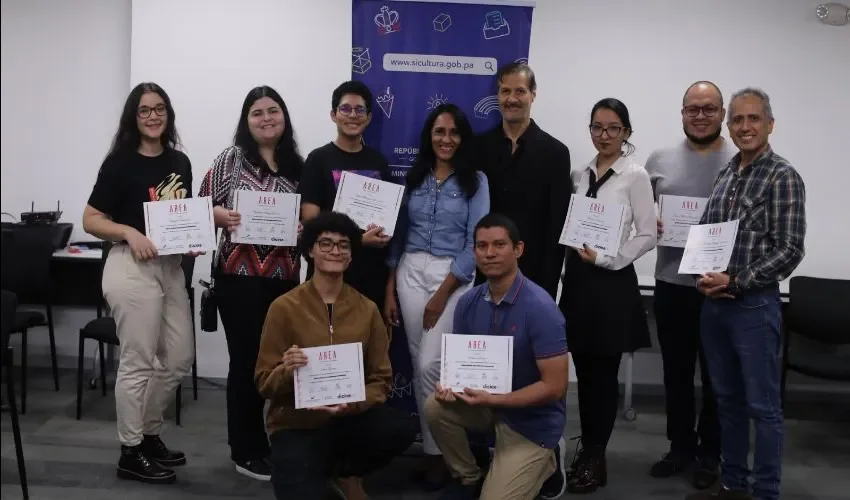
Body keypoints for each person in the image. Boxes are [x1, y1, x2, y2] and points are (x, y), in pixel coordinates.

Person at [686, 88, 806, 500]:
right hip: (714, 306)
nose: (744, 126)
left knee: (763, 409)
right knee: (727, 403)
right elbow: (706, 235)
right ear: (728, 125)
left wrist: (735, 281)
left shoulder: (782, 176)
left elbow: (789, 249)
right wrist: (702, 273)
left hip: (754, 307)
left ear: (769, 124)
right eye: (737, 119)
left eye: (753, 119)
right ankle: (733, 484)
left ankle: (765, 492)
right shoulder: (727, 174)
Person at [255, 211, 417, 500]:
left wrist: (354, 402)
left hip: (349, 418)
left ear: (352, 256)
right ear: (310, 251)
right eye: (326, 243)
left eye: (343, 245)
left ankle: (346, 472)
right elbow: (264, 382)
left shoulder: (367, 309)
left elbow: (381, 380)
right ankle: (315, 470)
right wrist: (286, 369)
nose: (335, 251)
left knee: (399, 428)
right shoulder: (284, 307)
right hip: (297, 421)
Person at [82, 82, 195, 484]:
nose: (153, 116)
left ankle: (148, 435)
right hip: (130, 267)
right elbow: (90, 219)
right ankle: (130, 450)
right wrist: (129, 232)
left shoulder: (180, 161)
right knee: (139, 362)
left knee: (178, 357)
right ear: (134, 117)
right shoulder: (119, 163)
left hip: (170, 268)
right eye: (145, 110)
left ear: (168, 115)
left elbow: (181, 214)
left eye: (159, 109)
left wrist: (192, 241)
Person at [475, 62, 572, 498]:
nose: (511, 98)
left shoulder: (555, 151)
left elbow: (557, 225)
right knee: (492, 365)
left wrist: (547, 287)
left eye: (519, 91)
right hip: (487, 276)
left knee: (538, 365)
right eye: (504, 91)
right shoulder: (479, 147)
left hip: (536, 281)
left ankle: (547, 447)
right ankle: (498, 447)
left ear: (533, 94)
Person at [197, 85, 304, 481]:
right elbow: (200, 206)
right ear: (247, 120)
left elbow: (310, 219)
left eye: (273, 111)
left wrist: (302, 226)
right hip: (238, 280)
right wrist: (221, 215)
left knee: (278, 363)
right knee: (246, 364)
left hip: (285, 283)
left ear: (283, 117)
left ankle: (276, 439)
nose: (266, 118)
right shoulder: (230, 160)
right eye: (257, 112)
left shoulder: (298, 165)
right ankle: (245, 450)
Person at [424, 213, 569, 500]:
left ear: (518, 249)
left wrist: (495, 400)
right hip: (489, 406)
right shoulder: (468, 303)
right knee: (434, 407)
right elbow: (462, 368)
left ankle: (549, 460)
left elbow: (555, 387)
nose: (489, 253)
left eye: (499, 245)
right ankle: (470, 477)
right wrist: (450, 387)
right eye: (482, 246)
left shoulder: (541, 309)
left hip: (532, 422)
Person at [384, 103, 490, 490]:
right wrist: (389, 288)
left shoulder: (476, 181)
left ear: (463, 138)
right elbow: (397, 236)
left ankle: (450, 452)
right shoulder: (413, 178)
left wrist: (443, 293)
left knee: (432, 363)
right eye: (439, 132)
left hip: (454, 275)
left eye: (454, 133)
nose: (447, 140)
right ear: (429, 136)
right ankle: (434, 455)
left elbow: (475, 241)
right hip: (410, 270)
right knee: (416, 361)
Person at [558, 98, 656, 494]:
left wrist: (611, 259)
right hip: (579, 284)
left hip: (612, 284)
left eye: (613, 128)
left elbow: (648, 233)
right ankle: (587, 449)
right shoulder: (580, 175)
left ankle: (596, 457)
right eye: (597, 127)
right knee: (583, 372)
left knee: (603, 376)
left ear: (626, 133)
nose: (604, 135)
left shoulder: (636, 176)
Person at [645, 81, 735, 489]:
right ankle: (679, 446)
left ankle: (710, 454)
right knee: (676, 372)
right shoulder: (659, 159)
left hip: (720, 287)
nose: (700, 116)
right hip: (671, 283)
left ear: (722, 114)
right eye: (692, 109)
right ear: (682, 112)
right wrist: (651, 221)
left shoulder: (740, 161)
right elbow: (637, 214)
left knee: (717, 376)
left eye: (709, 109)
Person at [298, 80, 393, 310]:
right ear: (334, 115)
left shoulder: (379, 162)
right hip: (328, 275)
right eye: (345, 109)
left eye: (360, 110)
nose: (353, 115)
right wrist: (358, 241)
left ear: (369, 117)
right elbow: (311, 224)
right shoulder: (318, 159)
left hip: (371, 276)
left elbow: (389, 221)